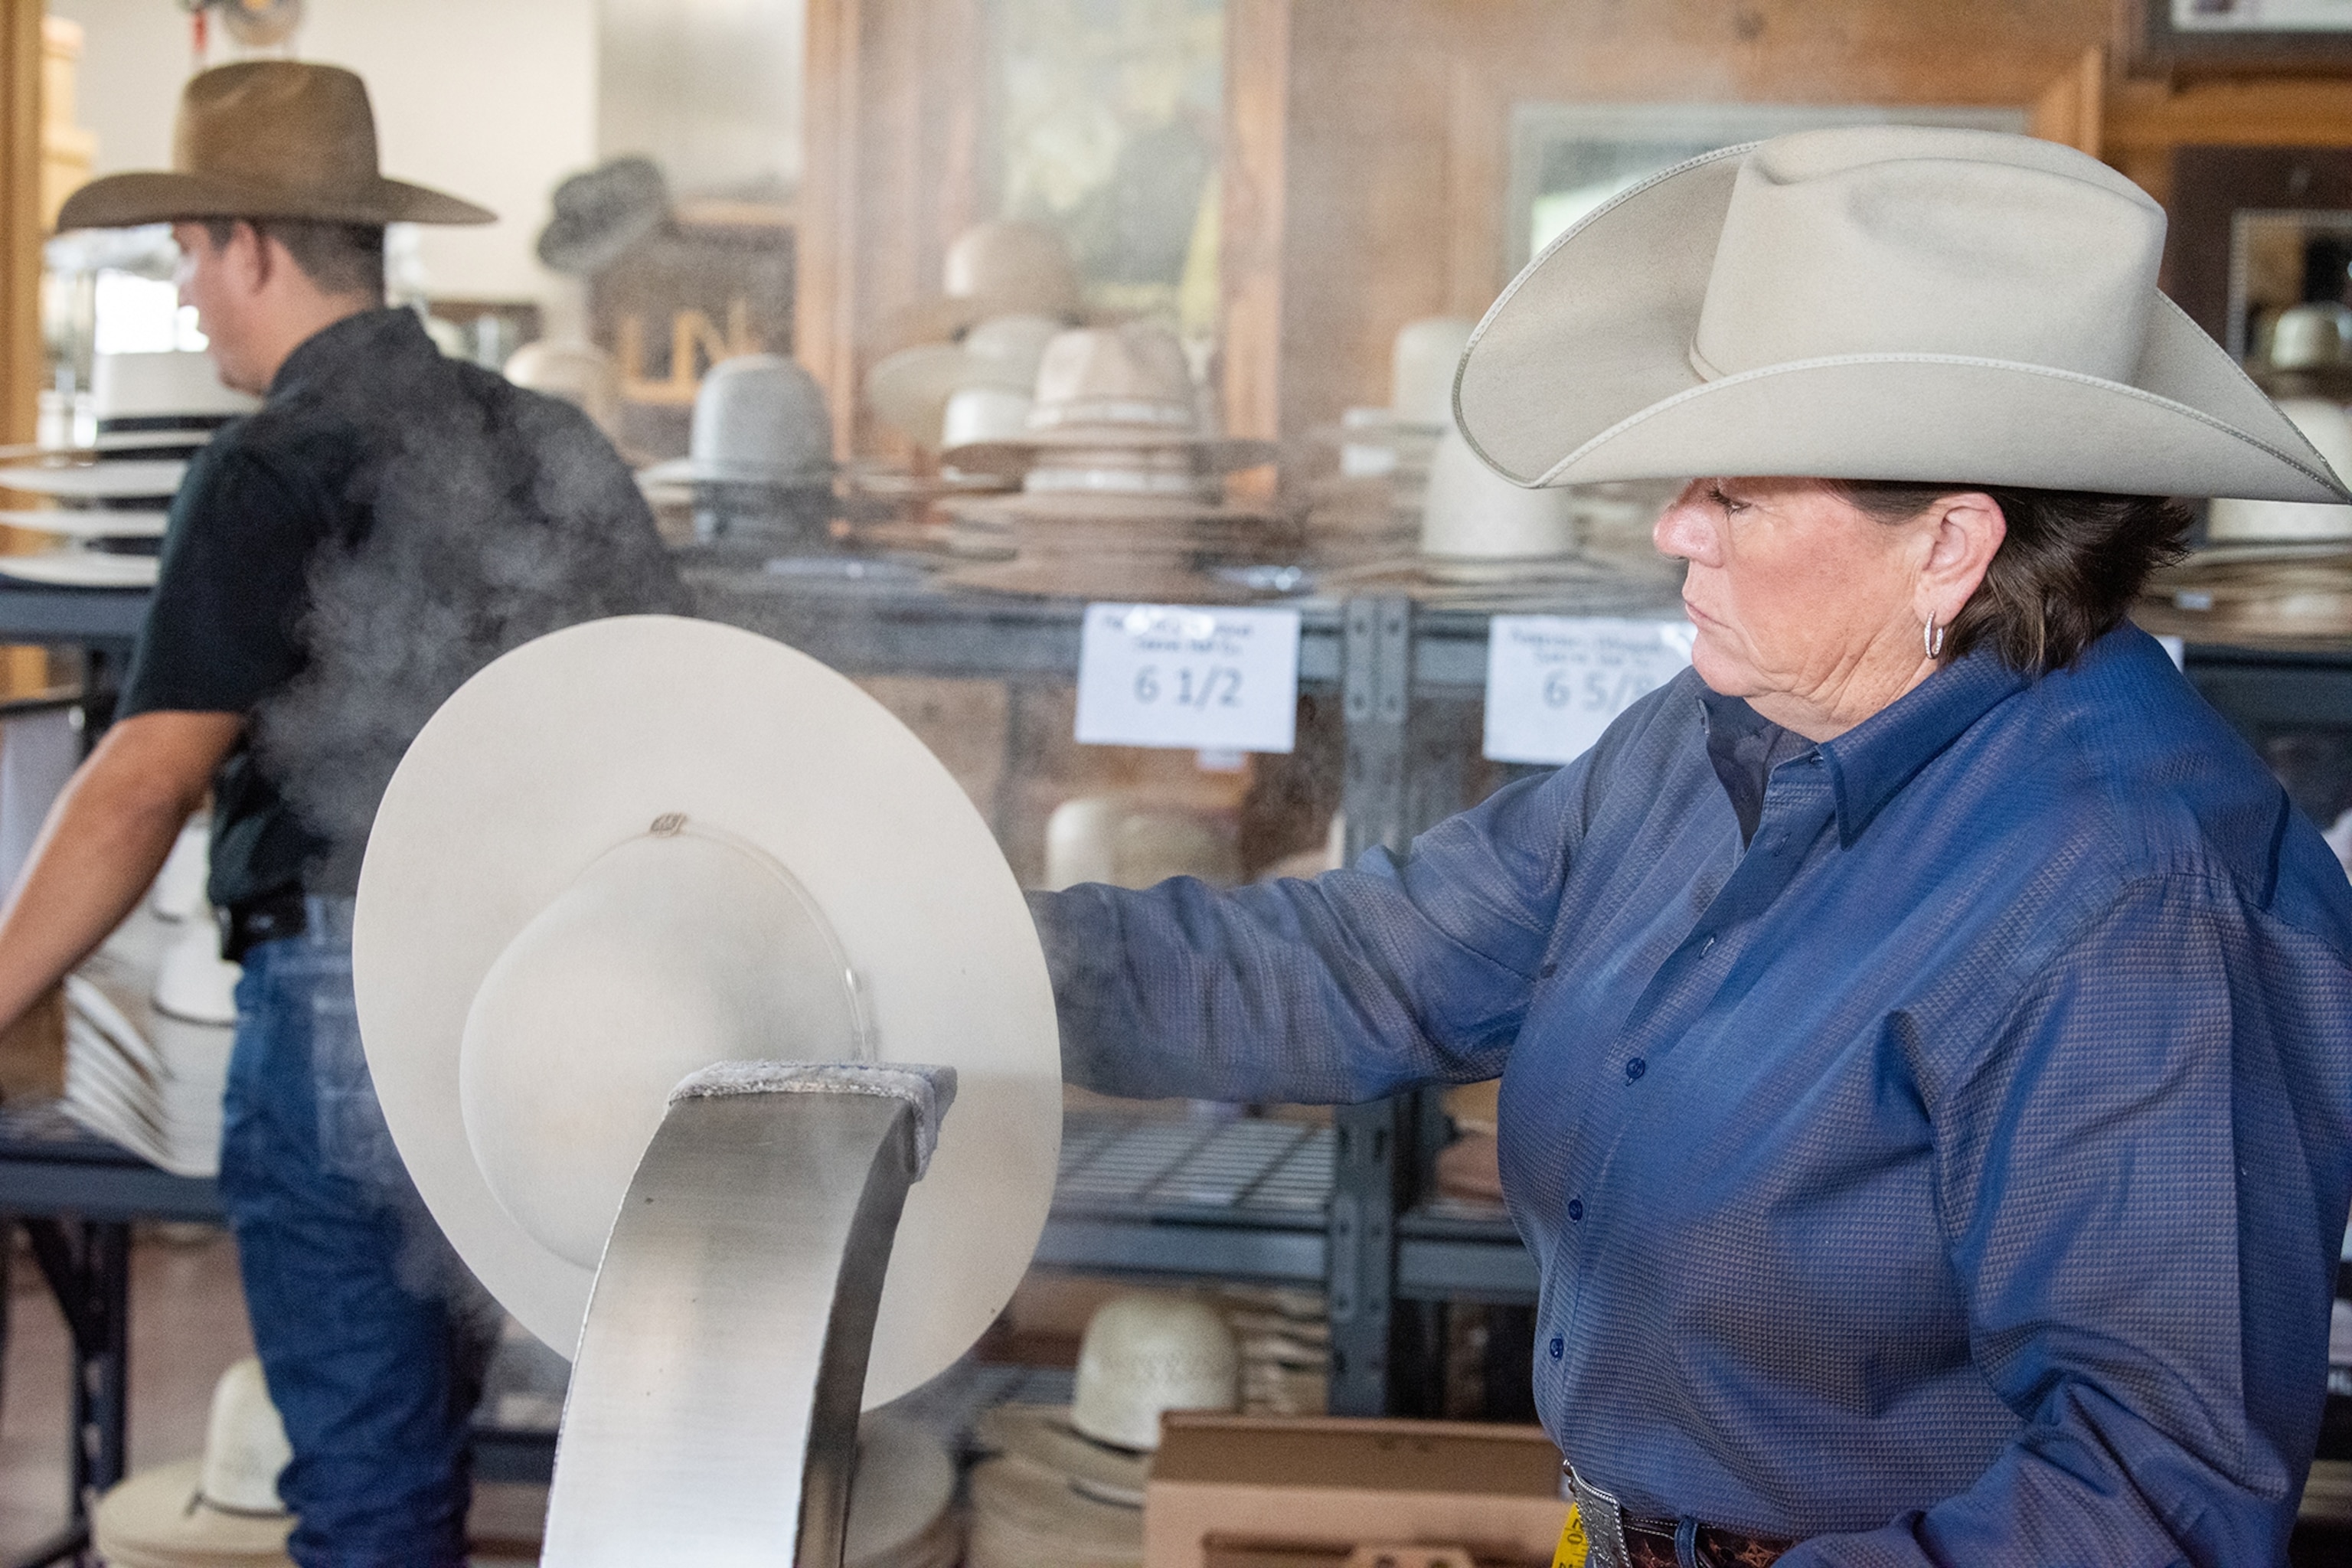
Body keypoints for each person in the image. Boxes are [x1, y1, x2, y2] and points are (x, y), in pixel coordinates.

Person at [1032, 128, 2352, 1566]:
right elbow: (1371, 962)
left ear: (1950, 547)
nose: (1673, 526)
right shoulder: (1713, 735)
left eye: (1735, 492)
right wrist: (965, 960)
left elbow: (2149, 1501)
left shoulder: (2137, 901)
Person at [2, 62, 684, 1566]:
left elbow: (139, 784)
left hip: (345, 1000)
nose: (189, 297)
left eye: (189, 252)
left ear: (253, 242)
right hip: (549, 1003)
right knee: (433, 1450)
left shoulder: (265, 470)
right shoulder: (547, 440)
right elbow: (666, 722)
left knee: (373, 1493)